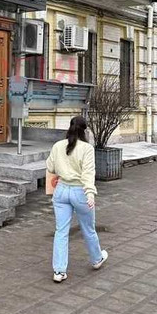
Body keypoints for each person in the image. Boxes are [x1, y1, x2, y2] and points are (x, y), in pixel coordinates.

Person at [46, 116, 108, 283]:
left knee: (61, 231)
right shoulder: (87, 148)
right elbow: (88, 173)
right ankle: (96, 259)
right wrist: (90, 193)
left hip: (61, 191)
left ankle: (59, 271)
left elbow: (50, 166)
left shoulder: (58, 145)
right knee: (88, 228)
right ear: (85, 130)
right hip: (80, 192)